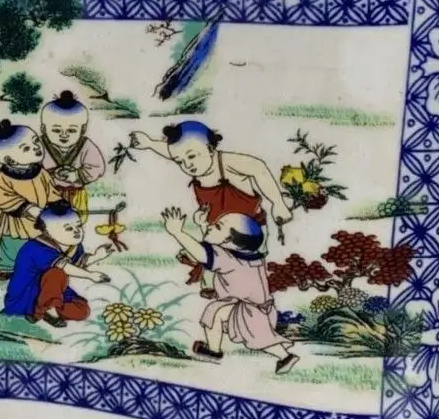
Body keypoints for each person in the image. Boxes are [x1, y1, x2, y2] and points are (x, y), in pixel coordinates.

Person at [129, 121, 293, 297]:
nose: (187, 165)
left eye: (192, 156)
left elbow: (258, 168)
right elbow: (171, 152)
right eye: (180, 161)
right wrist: (149, 143)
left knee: (247, 269)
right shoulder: (197, 166)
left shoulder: (226, 163)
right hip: (215, 230)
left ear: (210, 149)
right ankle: (219, 292)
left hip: (246, 232)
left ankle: (252, 296)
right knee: (214, 267)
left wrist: (278, 203)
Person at [160, 206, 299, 374]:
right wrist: (203, 225)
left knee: (261, 340)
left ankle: (286, 357)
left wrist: (177, 233)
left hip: (250, 313)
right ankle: (213, 350)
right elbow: (214, 246)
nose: (212, 225)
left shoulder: (229, 259)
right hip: (258, 308)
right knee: (214, 312)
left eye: (218, 226)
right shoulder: (252, 255)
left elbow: (202, 253)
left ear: (230, 242)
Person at [2, 200, 112, 327]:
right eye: (68, 228)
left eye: (79, 226)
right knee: (56, 273)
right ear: (48, 231)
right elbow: (64, 267)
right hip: (27, 296)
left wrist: (97, 256)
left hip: (52, 291)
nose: (76, 231)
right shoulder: (36, 248)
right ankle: (48, 311)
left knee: (82, 310)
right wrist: (90, 275)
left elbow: (76, 266)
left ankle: (40, 312)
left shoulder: (73, 246)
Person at [0, 120, 63, 281]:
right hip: (13, 217)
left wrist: (57, 203)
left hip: (38, 215)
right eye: (26, 148)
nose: (36, 147)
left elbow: (50, 190)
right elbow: (2, 196)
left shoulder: (40, 172)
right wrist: (27, 208)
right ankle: (8, 268)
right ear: (10, 160)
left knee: (38, 241)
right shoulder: (0, 176)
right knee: (11, 243)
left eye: (35, 141)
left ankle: (37, 265)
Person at [39, 90, 107, 223]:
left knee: (76, 222)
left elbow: (97, 167)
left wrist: (77, 175)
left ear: (83, 129)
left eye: (71, 130)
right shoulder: (38, 146)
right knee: (47, 222)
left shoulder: (86, 145)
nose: (64, 135)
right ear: (43, 129)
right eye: (56, 130)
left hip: (75, 194)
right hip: (47, 194)